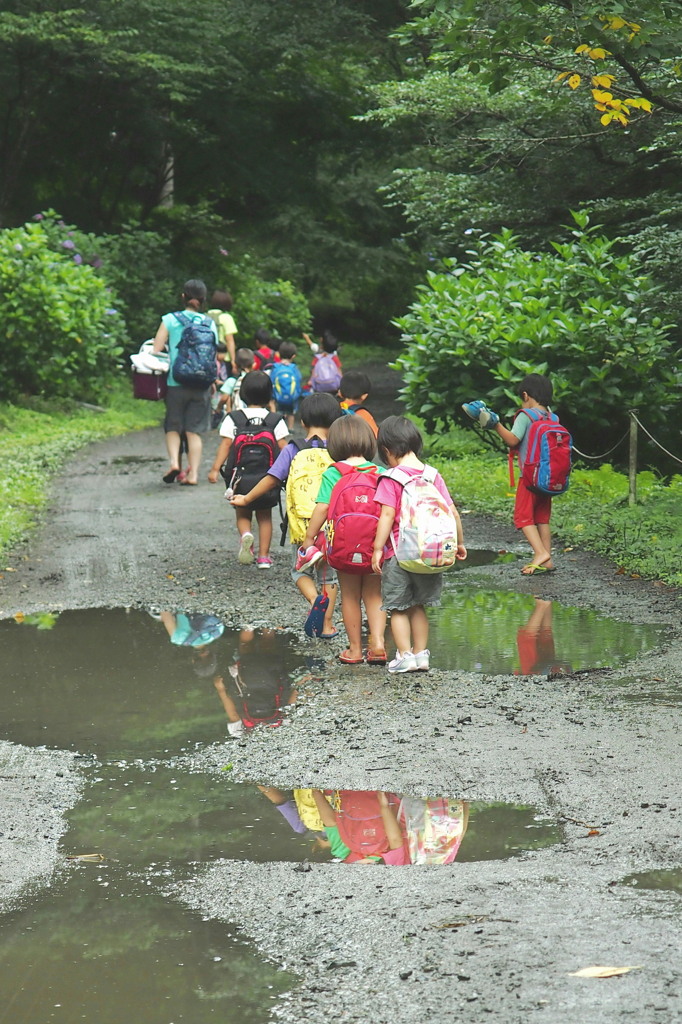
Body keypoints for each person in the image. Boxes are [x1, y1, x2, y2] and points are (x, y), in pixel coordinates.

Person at [230, 393, 342, 638]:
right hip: (333, 526)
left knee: (299, 572)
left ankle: (314, 601)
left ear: (303, 422)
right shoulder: (338, 450)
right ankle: (327, 625)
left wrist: (247, 498)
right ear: (336, 422)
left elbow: (271, 479)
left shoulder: (294, 449)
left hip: (302, 527)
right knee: (329, 576)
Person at [372, 415, 467, 673]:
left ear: (386, 451)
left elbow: (387, 515)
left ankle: (404, 655)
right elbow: (452, 512)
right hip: (431, 552)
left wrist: (378, 548)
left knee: (398, 607)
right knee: (419, 606)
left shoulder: (391, 477)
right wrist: (458, 543)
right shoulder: (432, 475)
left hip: (398, 554)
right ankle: (421, 655)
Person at [300, 416, 386, 665]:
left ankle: (356, 650)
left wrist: (309, 539)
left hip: (344, 547)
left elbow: (322, 509)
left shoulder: (333, 473)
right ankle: (378, 643)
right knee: (374, 595)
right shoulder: (379, 472)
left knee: (350, 596)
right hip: (374, 546)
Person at [463, 374, 558, 575]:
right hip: (547, 478)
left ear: (525, 395)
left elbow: (513, 440)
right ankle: (547, 558)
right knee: (542, 518)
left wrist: (495, 424)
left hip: (530, 478)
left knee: (523, 517)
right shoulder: (553, 417)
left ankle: (540, 553)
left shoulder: (526, 415)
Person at [207, 371, 289, 567]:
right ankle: (264, 557)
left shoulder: (233, 418)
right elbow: (284, 448)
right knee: (265, 516)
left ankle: (246, 535)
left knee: (242, 512)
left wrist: (215, 469)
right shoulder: (275, 419)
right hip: (267, 478)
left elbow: (226, 445)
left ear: (242, 394)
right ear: (269, 394)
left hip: (239, 477)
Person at [152, 278, 218, 486]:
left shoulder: (170, 319)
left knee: (173, 425)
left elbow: (156, 348)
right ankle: (194, 474)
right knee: (193, 430)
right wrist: (213, 381)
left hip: (175, 381)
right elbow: (212, 356)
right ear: (203, 299)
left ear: (183, 297)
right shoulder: (209, 323)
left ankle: (174, 463)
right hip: (202, 385)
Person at [311, 789, 409, 865]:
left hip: (386, 794)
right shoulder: (342, 853)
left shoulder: (391, 862)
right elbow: (331, 822)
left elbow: (396, 840)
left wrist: (384, 806)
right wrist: (316, 793)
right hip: (348, 793)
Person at [270, 340, 303, 431]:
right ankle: (291, 428)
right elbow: (299, 378)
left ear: (279, 354)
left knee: (279, 411)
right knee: (291, 412)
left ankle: (279, 427)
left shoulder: (276, 367)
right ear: (293, 356)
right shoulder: (293, 368)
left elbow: (271, 379)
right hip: (292, 397)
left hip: (278, 396)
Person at [216, 347, 257, 415]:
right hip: (253, 414)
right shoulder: (255, 380)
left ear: (235, 365)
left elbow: (224, 398)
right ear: (253, 365)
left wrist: (218, 407)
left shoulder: (232, 381)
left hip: (237, 416)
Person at [338, 370, 379, 437]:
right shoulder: (363, 414)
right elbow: (376, 437)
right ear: (364, 396)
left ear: (340, 393)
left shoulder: (334, 410)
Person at [206, 289, 237, 372]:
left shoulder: (204, 316)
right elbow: (230, 341)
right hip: (223, 358)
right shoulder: (226, 318)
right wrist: (233, 361)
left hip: (206, 357)